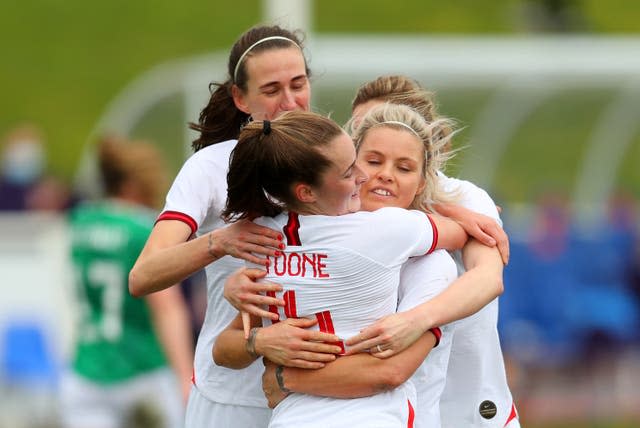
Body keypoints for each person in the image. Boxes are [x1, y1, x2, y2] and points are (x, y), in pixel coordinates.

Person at [128, 24, 338, 428]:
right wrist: (219, 242)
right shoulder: (211, 167)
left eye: (298, 84)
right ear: (241, 98)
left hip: (321, 391)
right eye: (272, 90)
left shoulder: (337, 158)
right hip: (230, 397)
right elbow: (143, 276)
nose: (290, 102)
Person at [213, 108, 468, 427]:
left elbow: (222, 350)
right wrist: (464, 214)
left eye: (403, 167)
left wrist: (273, 364)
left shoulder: (262, 239)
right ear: (306, 191)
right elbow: (460, 233)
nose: (365, 176)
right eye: (355, 168)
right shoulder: (389, 230)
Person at [346, 75, 519, 427]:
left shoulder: (466, 197)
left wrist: (415, 321)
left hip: (472, 408)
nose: (376, 137)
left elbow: (487, 278)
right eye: (360, 133)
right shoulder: (341, 206)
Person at [60, 136, 193, 428]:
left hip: (86, 366)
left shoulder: (81, 222)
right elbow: (167, 309)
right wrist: (185, 376)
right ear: (134, 184)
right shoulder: (142, 229)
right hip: (142, 369)